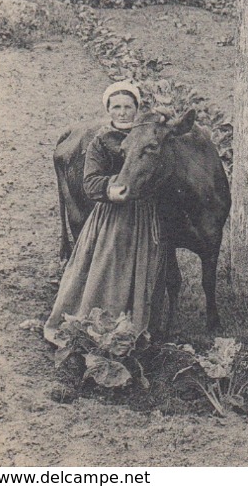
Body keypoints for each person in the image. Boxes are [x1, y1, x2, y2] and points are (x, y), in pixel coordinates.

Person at [44, 81, 169, 344]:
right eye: (117, 107)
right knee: (106, 265)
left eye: (128, 107)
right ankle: (99, 321)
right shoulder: (101, 141)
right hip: (111, 217)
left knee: (141, 265)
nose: (122, 113)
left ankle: (135, 325)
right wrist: (112, 188)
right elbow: (90, 182)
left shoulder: (146, 135)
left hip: (142, 215)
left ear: (136, 110)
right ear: (109, 110)